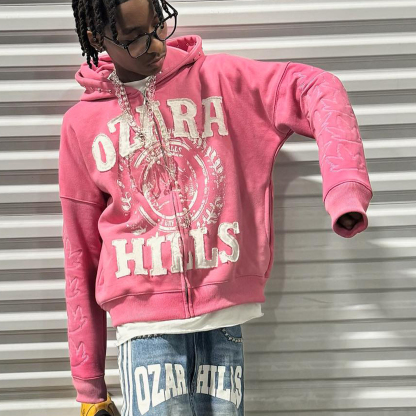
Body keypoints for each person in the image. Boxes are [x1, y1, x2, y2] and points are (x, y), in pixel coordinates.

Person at [59, 0, 373, 414]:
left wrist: (345, 188)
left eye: (159, 26)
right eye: (134, 38)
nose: (155, 45)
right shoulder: (81, 125)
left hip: (224, 320)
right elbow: (80, 253)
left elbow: (318, 87)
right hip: (145, 333)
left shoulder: (221, 81)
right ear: (97, 38)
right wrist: (89, 387)